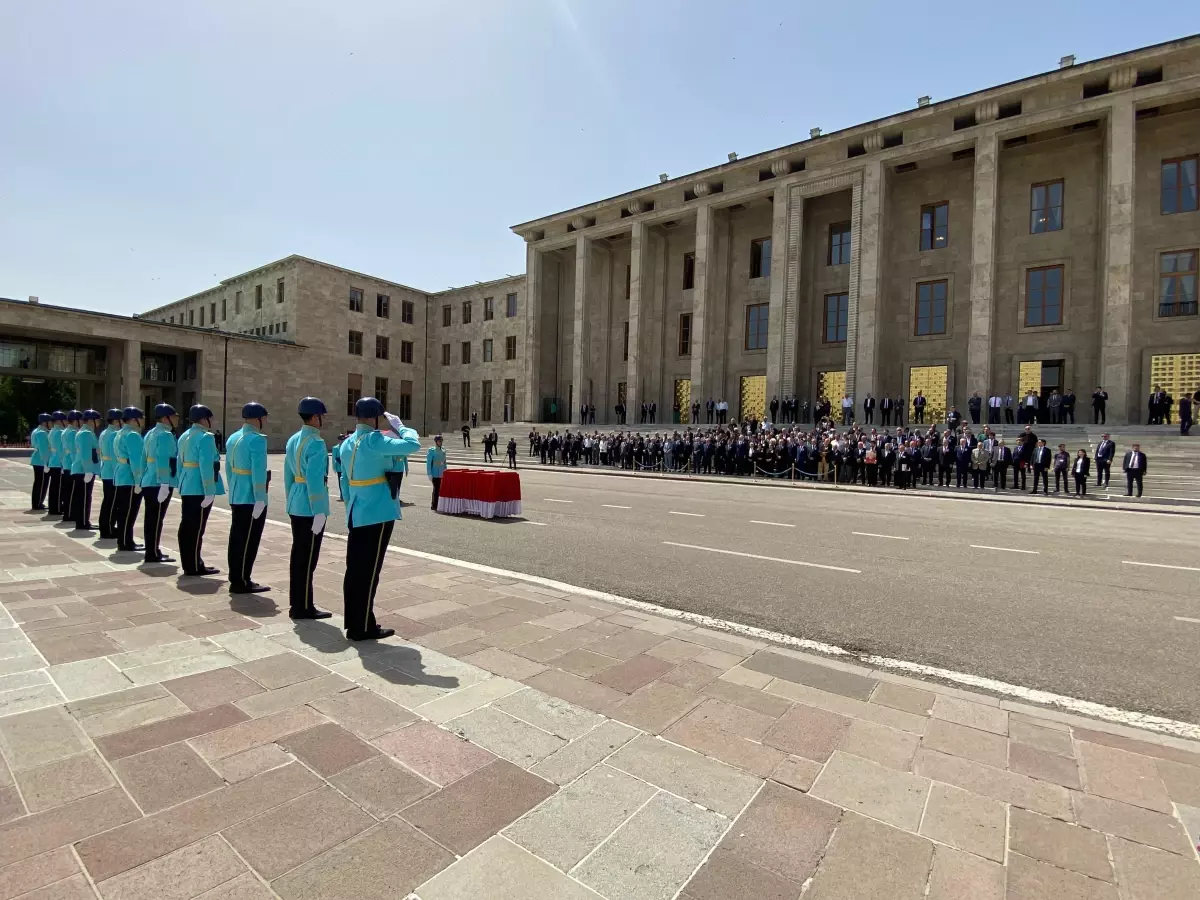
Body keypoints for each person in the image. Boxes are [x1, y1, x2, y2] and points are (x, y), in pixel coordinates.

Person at [339, 397, 421, 641]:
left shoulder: (347, 443)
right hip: (377, 511)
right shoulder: (374, 440)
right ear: (375, 417)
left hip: (357, 510)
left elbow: (344, 481)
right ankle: (363, 626)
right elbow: (412, 445)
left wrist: (350, 505)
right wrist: (402, 426)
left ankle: (356, 621)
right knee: (369, 571)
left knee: (355, 570)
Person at [285, 397, 332, 619]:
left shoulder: (293, 440)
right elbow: (315, 479)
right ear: (315, 417)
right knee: (307, 558)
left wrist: (290, 499)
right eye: (321, 416)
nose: (322, 420)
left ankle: (298, 603)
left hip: (296, 500)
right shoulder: (316, 443)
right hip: (309, 506)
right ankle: (303, 606)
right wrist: (319, 510)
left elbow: (288, 476)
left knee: (298, 556)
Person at [226, 402, 270, 593]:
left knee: (236, 538)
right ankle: (242, 580)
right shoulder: (257, 440)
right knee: (249, 541)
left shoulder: (233, 438)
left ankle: (236, 577)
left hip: (237, 493)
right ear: (258, 418)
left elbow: (228, 468)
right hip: (251, 498)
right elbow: (258, 472)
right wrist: (260, 497)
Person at [177, 404, 222, 577]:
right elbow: (206, 465)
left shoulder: (184, 436)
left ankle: (190, 562)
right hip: (199, 487)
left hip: (187, 484)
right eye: (210, 418)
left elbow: (180, 463)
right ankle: (194, 565)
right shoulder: (206, 437)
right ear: (204, 419)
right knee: (196, 528)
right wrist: (209, 490)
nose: (212, 421)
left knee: (187, 526)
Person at [140, 404, 178, 564]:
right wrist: (164, 483)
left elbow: (143, 458)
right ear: (165, 418)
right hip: (159, 482)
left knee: (151, 518)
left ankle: (152, 549)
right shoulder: (165, 435)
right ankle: (152, 552)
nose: (177, 419)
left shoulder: (150, 433)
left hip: (149, 479)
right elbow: (163, 460)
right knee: (156, 519)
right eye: (174, 416)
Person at [112, 407, 146, 553]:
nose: (143, 420)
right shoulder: (133, 435)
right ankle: (126, 542)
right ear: (134, 419)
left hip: (121, 474)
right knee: (129, 512)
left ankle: (125, 540)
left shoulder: (120, 433)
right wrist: (139, 481)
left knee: (123, 511)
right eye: (141, 417)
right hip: (130, 478)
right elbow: (136, 460)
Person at [70, 409, 101, 530]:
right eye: (97, 419)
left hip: (83, 469)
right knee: (83, 498)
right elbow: (85, 453)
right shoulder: (85, 434)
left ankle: (83, 521)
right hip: (83, 470)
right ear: (91, 420)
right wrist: (88, 470)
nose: (98, 422)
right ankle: (82, 522)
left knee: (84, 497)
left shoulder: (87, 432)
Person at [97, 409, 123, 539]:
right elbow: (115, 457)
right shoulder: (114, 434)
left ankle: (105, 527)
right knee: (112, 503)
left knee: (108, 501)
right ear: (116, 420)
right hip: (112, 471)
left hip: (106, 469)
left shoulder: (104, 433)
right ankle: (108, 529)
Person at [59, 410, 80, 523]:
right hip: (71, 464)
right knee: (72, 492)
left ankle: (68, 513)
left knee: (68, 491)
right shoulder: (72, 432)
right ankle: (70, 514)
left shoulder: (66, 431)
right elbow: (73, 451)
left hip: (66, 463)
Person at [29, 412, 51, 511]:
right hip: (41, 461)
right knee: (41, 483)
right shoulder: (42, 433)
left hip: (38, 460)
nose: (51, 424)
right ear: (44, 423)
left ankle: (38, 502)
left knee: (39, 483)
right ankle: (37, 503)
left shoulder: (37, 431)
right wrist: (46, 462)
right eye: (49, 422)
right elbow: (43, 449)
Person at [45, 410, 66, 515]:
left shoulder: (52, 431)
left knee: (54, 486)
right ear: (60, 421)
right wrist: (64, 463)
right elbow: (61, 449)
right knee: (58, 487)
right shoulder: (59, 432)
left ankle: (53, 507)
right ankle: (56, 508)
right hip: (59, 462)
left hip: (53, 461)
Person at [427, 434, 446, 509]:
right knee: (436, 489)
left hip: (441, 473)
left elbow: (444, 462)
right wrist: (429, 474)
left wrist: (445, 471)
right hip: (434, 473)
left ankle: (439, 504)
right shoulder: (432, 450)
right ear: (436, 442)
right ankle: (434, 505)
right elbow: (428, 463)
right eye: (439, 441)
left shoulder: (443, 450)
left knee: (440, 489)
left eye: (441, 441)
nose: (440, 442)